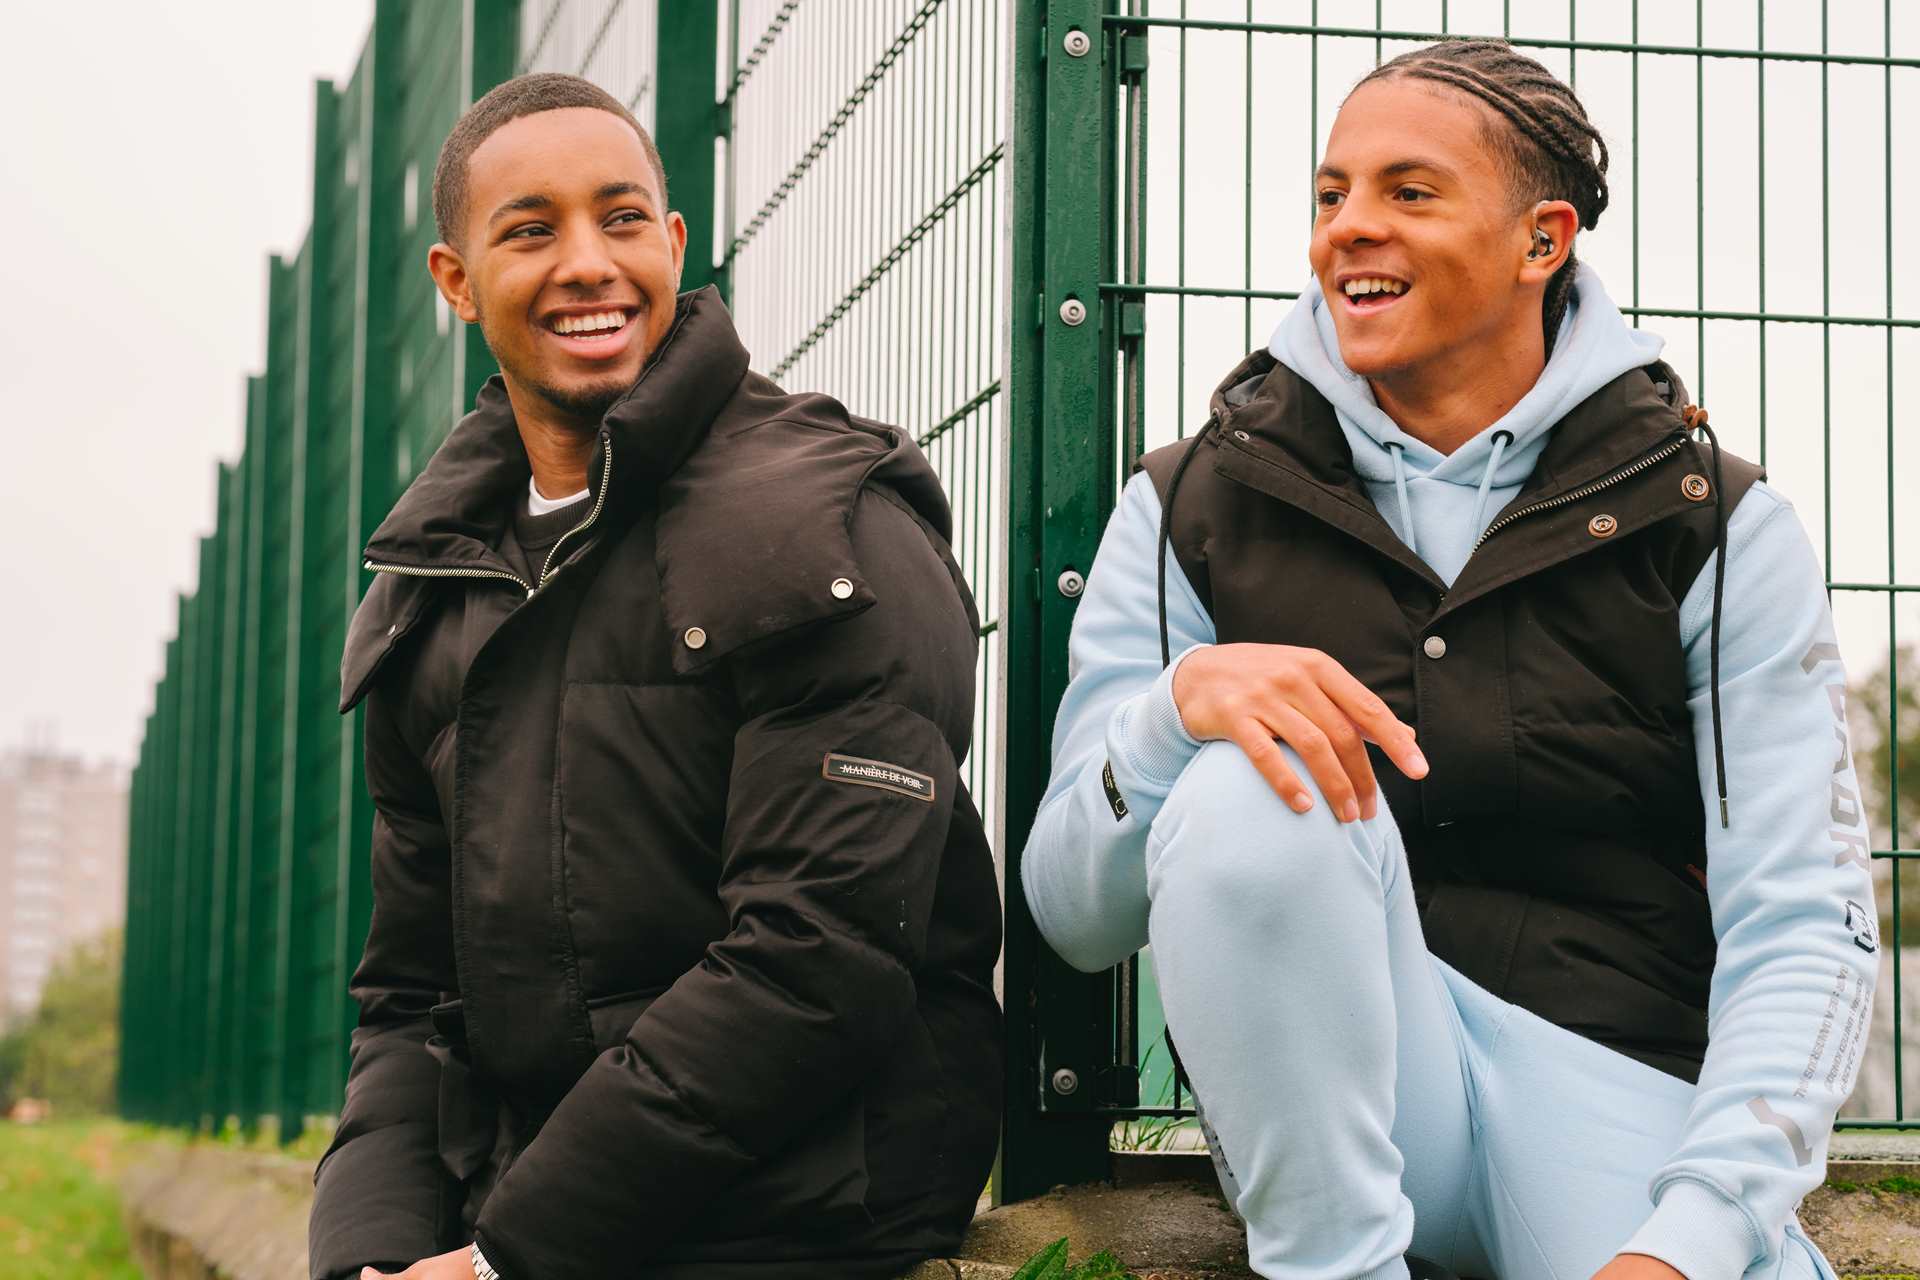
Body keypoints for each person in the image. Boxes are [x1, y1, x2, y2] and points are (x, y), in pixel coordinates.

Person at [1020, 38, 1875, 1280]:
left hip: (1618, 1090)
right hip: (1350, 1117)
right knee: (1250, 773)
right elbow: (1068, 913)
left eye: (1407, 193)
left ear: (1543, 240)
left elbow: (1803, 919)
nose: (1347, 230)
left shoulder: (1715, 521)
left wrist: (1694, 1235)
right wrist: (1169, 718)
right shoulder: (1187, 502)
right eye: (1331, 195)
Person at [305, 73, 1002, 1280]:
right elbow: (409, 999)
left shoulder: (828, 532)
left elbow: (816, 956)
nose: (589, 263)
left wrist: (504, 1259)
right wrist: (366, 1252)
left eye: (622, 219)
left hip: (808, 1227)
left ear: (673, 243)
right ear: (456, 281)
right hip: (529, 1229)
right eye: (531, 229)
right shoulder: (429, 593)